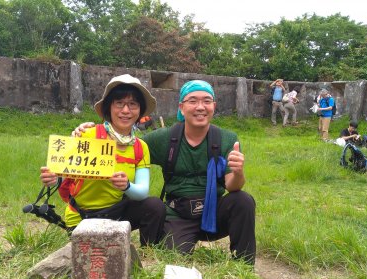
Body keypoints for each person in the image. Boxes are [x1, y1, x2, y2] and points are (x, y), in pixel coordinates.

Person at [73, 80, 256, 264]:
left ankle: (245, 265)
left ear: (214, 106)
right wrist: (92, 133)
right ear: (182, 107)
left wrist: (238, 172)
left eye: (206, 101)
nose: (200, 107)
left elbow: (233, 185)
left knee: (243, 200)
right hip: (179, 215)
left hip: (214, 213)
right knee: (173, 261)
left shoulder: (227, 139)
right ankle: (161, 250)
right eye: (192, 101)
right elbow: (127, 145)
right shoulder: (165, 138)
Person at [39, 74, 165, 246]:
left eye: (133, 104)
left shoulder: (140, 147)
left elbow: (142, 191)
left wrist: (126, 185)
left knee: (154, 205)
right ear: (109, 107)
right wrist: (53, 179)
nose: (126, 110)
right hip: (82, 216)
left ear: (140, 110)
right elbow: (64, 171)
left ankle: (148, 251)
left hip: (117, 214)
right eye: (119, 103)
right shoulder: (88, 135)